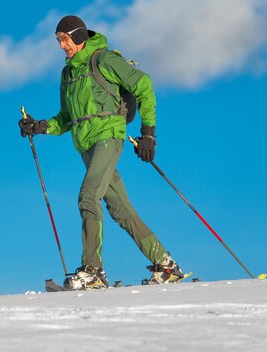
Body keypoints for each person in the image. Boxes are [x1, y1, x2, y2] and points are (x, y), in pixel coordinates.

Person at [19, 15, 184, 289]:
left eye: (65, 39)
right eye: (58, 40)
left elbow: (144, 86)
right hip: (86, 147)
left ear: (79, 37)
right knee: (120, 208)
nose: (62, 46)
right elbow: (66, 117)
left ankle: (93, 270)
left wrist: (149, 135)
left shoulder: (104, 60)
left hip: (108, 137)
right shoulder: (68, 74)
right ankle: (166, 265)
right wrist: (39, 127)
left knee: (88, 196)